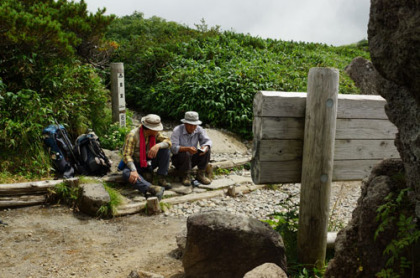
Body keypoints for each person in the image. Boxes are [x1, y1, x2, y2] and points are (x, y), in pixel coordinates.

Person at [121, 114, 172, 199]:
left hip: (150, 161)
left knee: (165, 150)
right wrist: (133, 170)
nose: (158, 130)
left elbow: (168, 142)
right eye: (156, 129)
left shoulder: (156, 134)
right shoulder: (132, 135)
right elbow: (127, 156)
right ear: (150, 129)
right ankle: (152, 188)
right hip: (137, 163)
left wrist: (158, 145)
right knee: (126, 173)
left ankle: (161, 178)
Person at [171, 111, 212, 186]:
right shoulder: (177, 130)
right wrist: (186, 148)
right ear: (185, 123)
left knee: (207, 149)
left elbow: (208, 141)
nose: (193, 128)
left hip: (192, 159)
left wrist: (205, 147)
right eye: (190, 125)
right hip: (179, 160)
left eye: (194, 125)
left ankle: (200, 174)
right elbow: (173, 148)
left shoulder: (199, 129)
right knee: (185, 152)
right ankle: (185, 175)